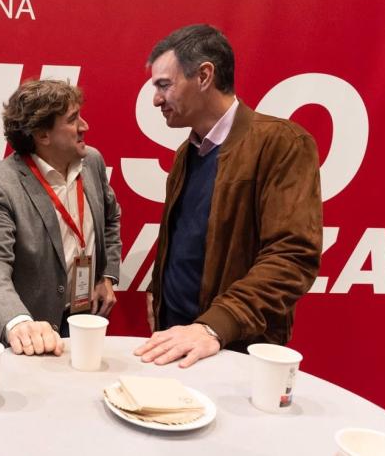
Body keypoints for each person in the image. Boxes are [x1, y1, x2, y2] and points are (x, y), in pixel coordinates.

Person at [133, 24, 322, 368]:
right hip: (176, 340)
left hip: (233, 348)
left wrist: (213, 326)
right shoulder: (186, 153)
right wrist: (158, 290)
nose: (156, 99)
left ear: (204, 75)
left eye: (164, 85)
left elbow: (292, 257)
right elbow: (186, 237)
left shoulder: (282, 143)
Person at [0, 80, 121, 356]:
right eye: (73, 119)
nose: (85, 126)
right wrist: (18, 322)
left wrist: (107, 276)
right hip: (31, 334)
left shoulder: (92, 162)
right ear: (42, 135)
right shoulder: (0, 185)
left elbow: (111, 218)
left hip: (83, 319)